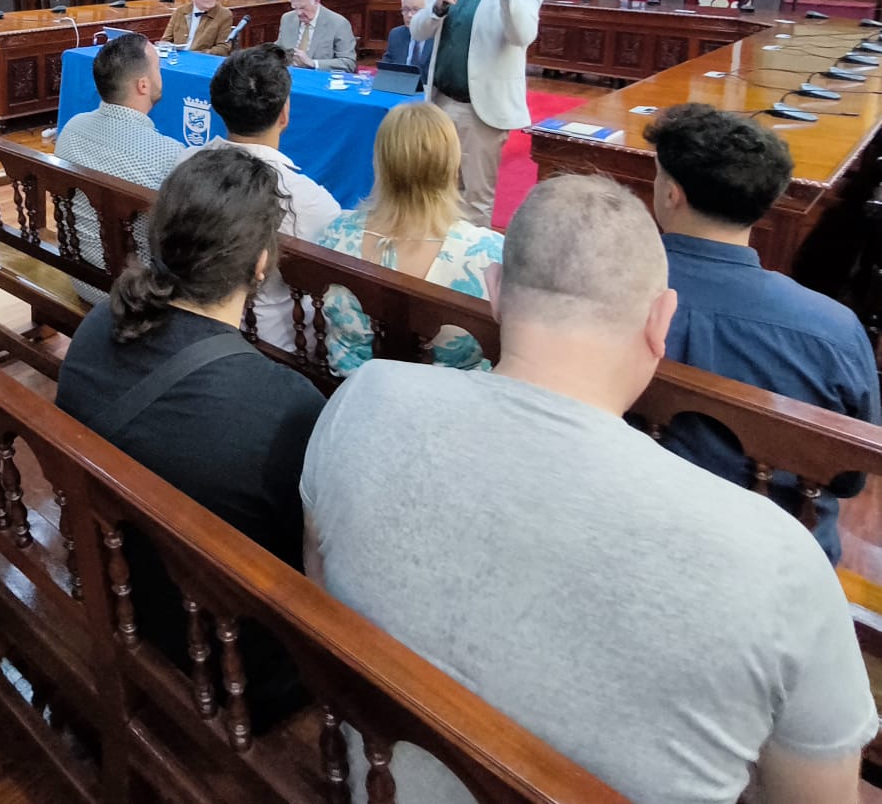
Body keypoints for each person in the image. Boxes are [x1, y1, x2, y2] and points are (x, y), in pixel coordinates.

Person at [301, 174, 876, 803]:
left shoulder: (366, 397)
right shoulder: (780, 558)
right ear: (662, 321)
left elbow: (325, 596)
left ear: (494, 295)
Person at [56, 146, 326, 731]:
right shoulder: (284, 404)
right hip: (225, 657)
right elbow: (311, 563)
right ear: (260, 266)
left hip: (116, 586)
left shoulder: (101, 322)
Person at [647, 103, 880, 564]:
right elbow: (848, 474)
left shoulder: (606, 291)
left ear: (671, 193)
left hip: (635, 522)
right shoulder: (832, 328)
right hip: (781, 554)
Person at [319, 101, 499, 375]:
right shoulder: (490, 255)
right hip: (452, 409)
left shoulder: (337, 233)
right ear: (452, 164)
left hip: (350, 393)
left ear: (381, 162)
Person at [406, 0, 544, 226]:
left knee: (475, 198)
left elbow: (521, 36)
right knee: (439, 186)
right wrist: (437, 8)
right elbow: (418, 31)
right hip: (440, 101)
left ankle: (469, 265)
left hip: (480, 110)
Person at [201, 45, 340, 350]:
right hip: (276, 344)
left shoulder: (185, 164)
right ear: (285, 115)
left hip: (201, 325)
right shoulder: (312, 202)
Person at [55, 33, 186, 305]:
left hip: (81, 276)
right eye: (158, 69)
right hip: (135, 295)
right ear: (142, 85)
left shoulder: (72, 128)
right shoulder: (167, 154)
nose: (161, 76)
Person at [275, 0, 357, 72]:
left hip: (320, 79)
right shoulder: (287, 19)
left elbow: (348, 63)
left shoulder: (338, 23)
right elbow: (277, 50)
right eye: (294, 8)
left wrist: (313, 63)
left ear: (316, 1)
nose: (298, 13)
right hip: (288, 77)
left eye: (302, 8)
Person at [160, 0, 234, 55]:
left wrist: (197, 55)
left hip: (203, 61)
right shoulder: (179, 12)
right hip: (178, 58)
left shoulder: (224, 15)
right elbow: (165, 41)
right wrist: (166, 46)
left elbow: (223, 48)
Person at [383, 0, 433, 89]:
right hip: (399, 90)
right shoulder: (396, 35)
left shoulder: (439, 37)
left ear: (430, 11)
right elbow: (386, 68)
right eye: (405, 10)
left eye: (416, 10)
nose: (409, 15)